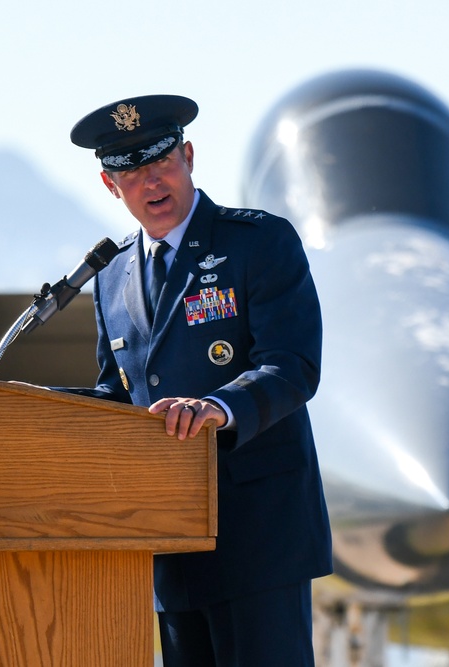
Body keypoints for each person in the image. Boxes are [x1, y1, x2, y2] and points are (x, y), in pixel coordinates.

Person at [67, 94, 332, 666]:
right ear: (110, 186)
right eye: (131, 171)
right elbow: (118, 395)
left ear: (188, 157)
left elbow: (293, 364)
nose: (151, 182)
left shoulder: (256, 242)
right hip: (170, 545)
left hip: (259, 537)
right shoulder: (110, 279)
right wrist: (47, 416)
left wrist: (219, 406)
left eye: (161, 163)